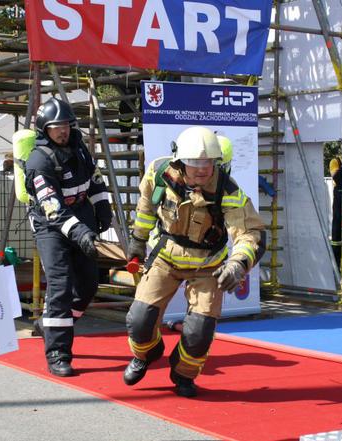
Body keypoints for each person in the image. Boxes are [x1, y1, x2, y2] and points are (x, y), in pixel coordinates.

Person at [123, 126, 264, 398]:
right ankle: (147, 354)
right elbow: (145, 207)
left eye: (208, 163)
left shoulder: (228, 190)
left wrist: (237, 265)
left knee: (200, 331)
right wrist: (137, 241)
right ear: (179, 161)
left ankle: (183, 374)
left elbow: (250, 234)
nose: (202, 169)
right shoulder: (160, 172)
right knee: (140, 319)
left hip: (209, 265)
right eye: (195, 163)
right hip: (165, 256)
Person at [22, 97, 113, 377]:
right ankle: (58, 353)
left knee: (88, 284)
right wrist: (81, 232)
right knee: (60, 286)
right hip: (52, 227)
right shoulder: (39, 162)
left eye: (67, 125)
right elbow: (53, 209)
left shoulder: (78, 147)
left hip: (80, 215)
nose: (63, 131)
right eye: (56, 126)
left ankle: (49, 323)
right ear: (43, 129)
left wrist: (102, 207)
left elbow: (94, 179)